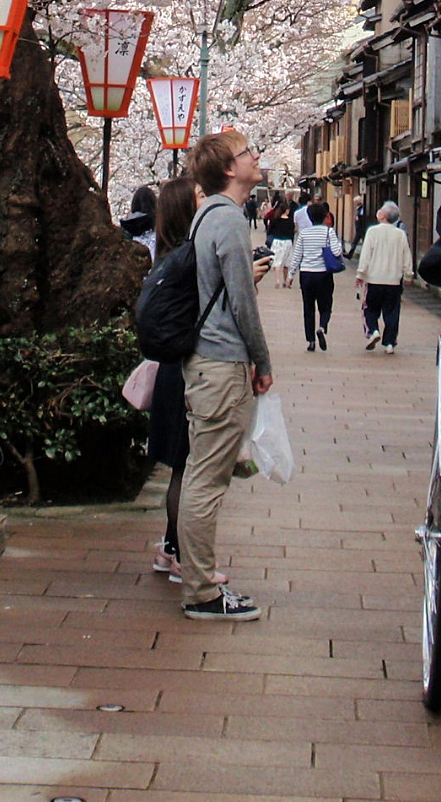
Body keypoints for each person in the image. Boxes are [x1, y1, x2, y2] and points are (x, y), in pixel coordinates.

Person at [177, 128, 273, 622]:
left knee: (202, 472)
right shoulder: (231, 221)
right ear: (231, 170)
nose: (256, 156)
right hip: (221, 363)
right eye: (246, 152)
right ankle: (200, 590)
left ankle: (199, 574)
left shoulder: (205, 217)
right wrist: (263, 360)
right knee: (208, 478)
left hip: (204, 360)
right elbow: (241, 301)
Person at [140, 178, 214, 585]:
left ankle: (170, 549)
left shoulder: (167, 256)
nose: (208, 200)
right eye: (200, 197)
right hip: (185, 370)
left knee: (181, 467)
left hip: (169, 368)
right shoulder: (191, 257)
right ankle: (181, 556)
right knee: (187, 467)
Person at [354, 200, 412, 352]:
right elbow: (407, 256)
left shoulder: (372, 232)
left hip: (374, 279)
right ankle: (390, 343)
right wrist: (408, 275)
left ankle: (373, 331)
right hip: (394, 280)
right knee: (392, 312)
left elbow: (366, 255)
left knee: (369, 309)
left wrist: (360, 274)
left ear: (383, 215)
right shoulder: (400, 235)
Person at [289, 201, 343, 353]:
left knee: (308, 307)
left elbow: (297, 254)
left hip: (306, 273)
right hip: (324, 274)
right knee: (325, 305)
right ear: (325, 216)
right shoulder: (328, 232)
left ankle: (311, 341)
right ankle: (322, 327)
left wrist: (291, 274)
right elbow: (337, 252)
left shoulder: (304, 234)